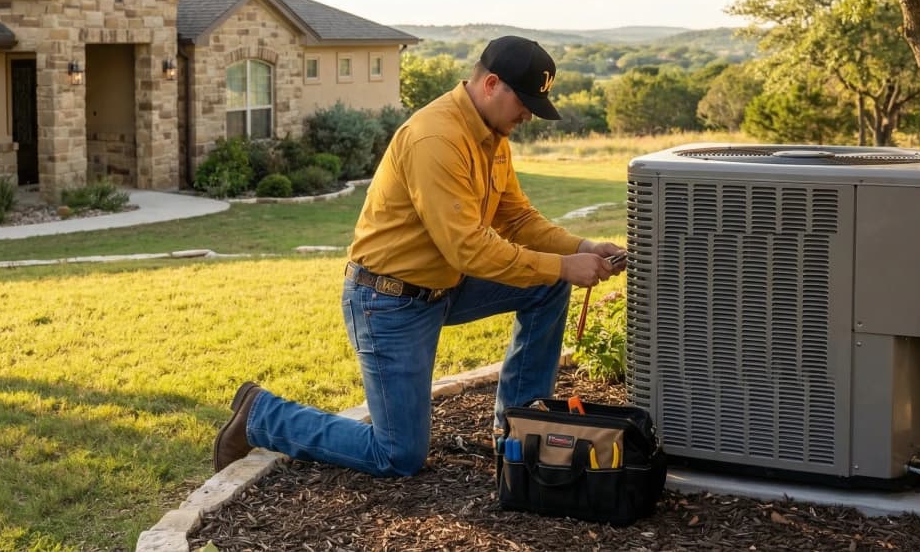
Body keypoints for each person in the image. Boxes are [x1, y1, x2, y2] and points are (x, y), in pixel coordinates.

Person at [212, 35, 625, 477]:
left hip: (445, 286)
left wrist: (579, 248)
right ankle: (261, 416)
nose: (527, 113)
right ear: (490, 85)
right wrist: (564, 266)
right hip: (389, 301)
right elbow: (467, 247)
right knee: (397, 455)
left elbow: (517, 218)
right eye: (523, 101)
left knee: (546, 287)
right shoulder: (436, 139)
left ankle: (519, 436)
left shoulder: (491, 136)